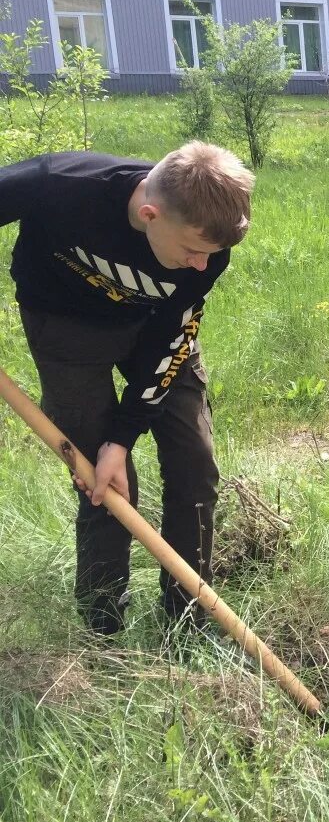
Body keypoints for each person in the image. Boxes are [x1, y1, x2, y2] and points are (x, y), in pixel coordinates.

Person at [0, 142, 254, 635]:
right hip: (65, 327)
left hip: (154, 330)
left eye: (212, 255)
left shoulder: (207, 252)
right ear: (149, 213)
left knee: (193, 461)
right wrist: (110, 452)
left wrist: (125, 435)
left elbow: (172, 338)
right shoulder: (61, 184)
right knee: (104, 480)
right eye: (193, 252)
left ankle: (188, 617)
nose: (203, 266)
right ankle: (104, 624)